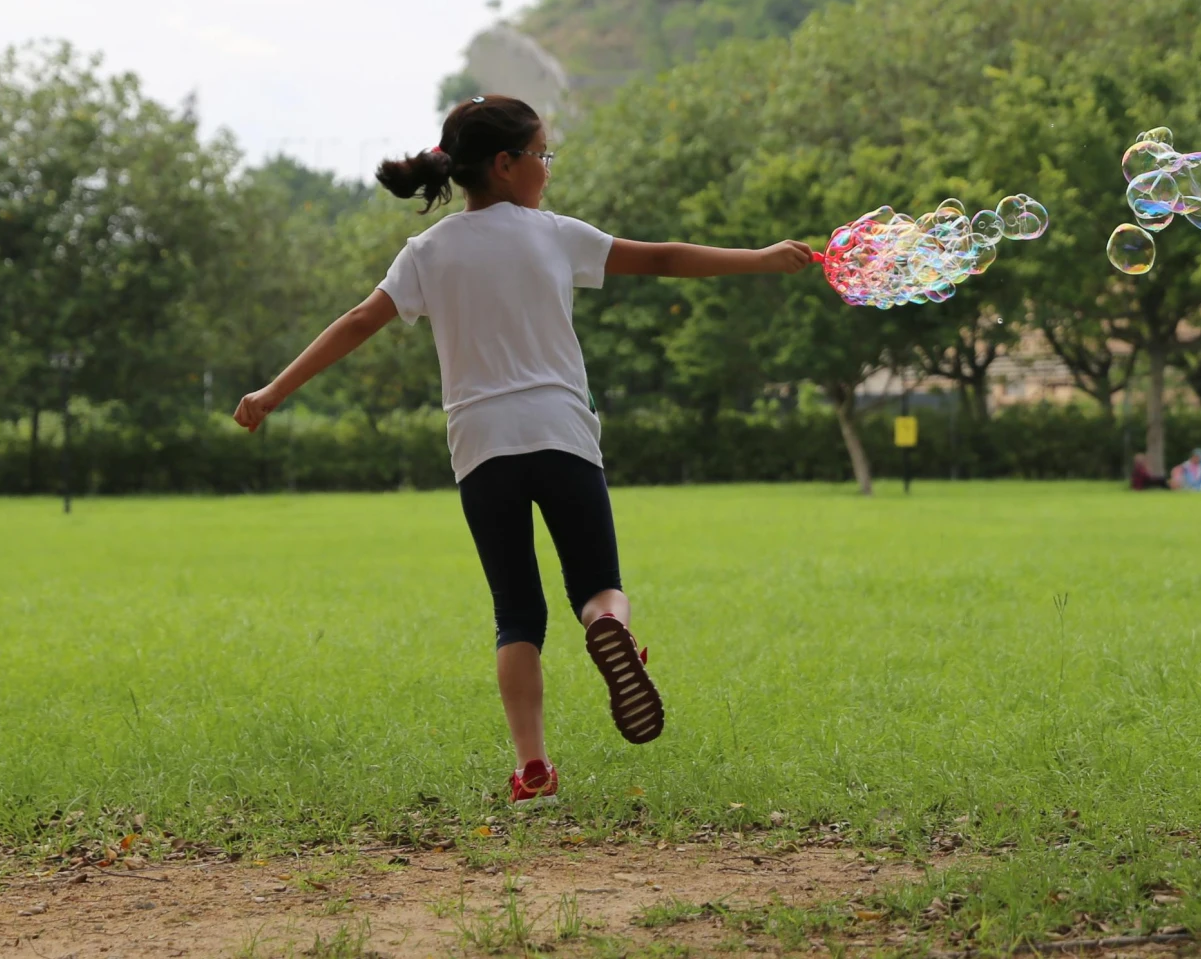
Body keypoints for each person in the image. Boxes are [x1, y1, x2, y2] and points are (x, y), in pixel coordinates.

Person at [232, 95, 813, 806]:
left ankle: (533, 768)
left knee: (516, 612)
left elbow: (358, 321)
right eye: (542, 155)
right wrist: (758, 257)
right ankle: (608, 625)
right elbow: (661, 256)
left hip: (481, 445)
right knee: (597, 583)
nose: (548, 168)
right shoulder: (552, 233)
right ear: (505, 165)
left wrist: (272, 390)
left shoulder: (428, 250)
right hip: (562, 430)